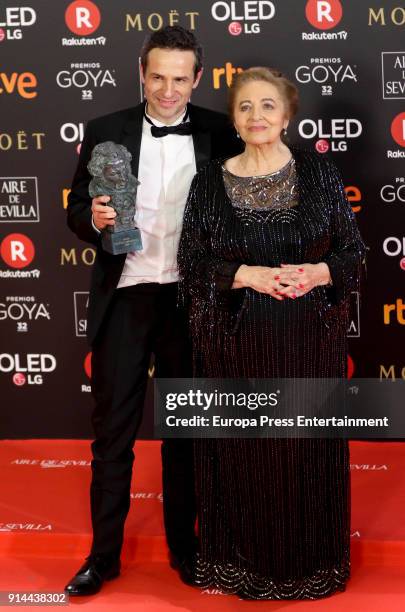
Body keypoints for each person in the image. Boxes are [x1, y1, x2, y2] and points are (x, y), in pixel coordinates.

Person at [64, 26, 241, 596]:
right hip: (127, 297)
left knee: (186, 435)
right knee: (112, 434)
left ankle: (185, 551)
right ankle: (102, 557)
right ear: (141, 72)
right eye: (158, 76)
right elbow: (73, 210)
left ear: (197, 78)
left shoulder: (220, 131)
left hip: (191, 302)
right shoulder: (105, 130)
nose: (168, 90)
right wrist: (93, 218)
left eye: (180, 78)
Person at [178, 67, 366, 599]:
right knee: (245, 457)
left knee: (303, 453)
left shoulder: (320, 172)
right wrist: (246, 275)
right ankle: (243, 566)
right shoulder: (209, 181)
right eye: (244, 107)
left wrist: (318, 273)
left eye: (267, 106)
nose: (256, 116)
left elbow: (352, 252)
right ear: (233, 119)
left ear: (286, 115)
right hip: (236, 347)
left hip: (308, 343)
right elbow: (191, 264)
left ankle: (311, 567)